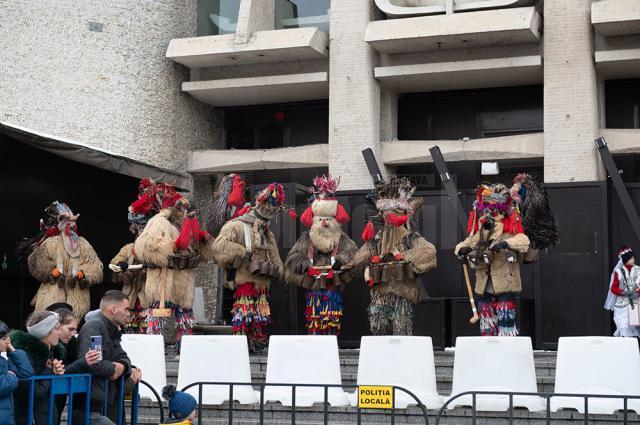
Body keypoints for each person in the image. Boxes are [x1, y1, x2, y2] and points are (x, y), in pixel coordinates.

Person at [350, 176, 437, 336]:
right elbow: (357, 260)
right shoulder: (378, 240)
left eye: (393, 213)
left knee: (401, 327)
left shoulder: (410, 237)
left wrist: (403, 255)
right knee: (377, 324)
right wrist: (362, 266)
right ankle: (381, 356)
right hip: (381, 292)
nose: (389, 218)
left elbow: (429, 252)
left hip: (402, 291)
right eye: (385, 214)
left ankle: (402, 357)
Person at [133, 184, 212, 347]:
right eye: (180, 207)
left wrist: (203, 242)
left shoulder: (185, 223)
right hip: (163, 281)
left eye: (184, 208)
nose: (183, 210)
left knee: (185, 319)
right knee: (156, 318)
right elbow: (144, 246)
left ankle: (185, 349)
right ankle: (152, 349)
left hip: (183, 282)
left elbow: (197, 251)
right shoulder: (158, 222)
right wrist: (170, 247)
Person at [211, 183, 286, 352]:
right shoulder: (237, 225)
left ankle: (255, 340)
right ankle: (240, 344)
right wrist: (242, 252)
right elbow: (218, 247)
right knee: (244, 313)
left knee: (259, 314)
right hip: (245, 278)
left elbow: (274, 254)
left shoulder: (268, 232)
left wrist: (277, 267)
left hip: (262, 281)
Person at [284, 175, 358, 335]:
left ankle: (332, 341)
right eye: (321, 219)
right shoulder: (307, 238)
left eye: (328, 219)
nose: (325, 223)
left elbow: (353, 255)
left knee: (332, 316)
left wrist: (339, 261)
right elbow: (292, 258)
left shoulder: (342, 239)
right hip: (314, 287)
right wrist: (305, 265)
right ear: (314, 220)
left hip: (334, 285)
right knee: (315, 317)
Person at [455, 183, 530, 336]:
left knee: (506, 322)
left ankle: (507, 353)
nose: (494, 211)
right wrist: (461, 249)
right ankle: (489, 353)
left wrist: (506, 243)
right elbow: (470, 240)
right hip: (484, 283)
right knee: (487, 325)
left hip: (505, 282)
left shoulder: (511, 226)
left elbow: (524, 241)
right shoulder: (484, 229)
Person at [18, 201, 103, 319]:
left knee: (70, 326)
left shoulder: (84, 244)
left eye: (73, 222)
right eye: (68, 222)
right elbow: (36, 261)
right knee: (50, 324)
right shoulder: (50, 243)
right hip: (52, 295)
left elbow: (95, 265)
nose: (72, 225)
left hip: (76, 295)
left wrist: (84, 274)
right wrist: (50, 271)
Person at [73, 290, 142, 425]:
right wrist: (113, 368)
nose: (129, 314)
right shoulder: (94, 327)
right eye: (126, 309)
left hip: (105, 401)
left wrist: (122, 367)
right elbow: (93, 363)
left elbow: (124, 357)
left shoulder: (111, 329)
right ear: (114, 309)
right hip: (92, 405)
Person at [47, 306, 101, 423]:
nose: (73, 333)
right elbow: (62, 372)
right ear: (57, 326)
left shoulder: (72, 346)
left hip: (59, 396)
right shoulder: (47, 348)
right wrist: (83, 362)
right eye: (70, 329)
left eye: (75, 330)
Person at [11, 311, 66, 425]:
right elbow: (33, 393)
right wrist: (50, 370)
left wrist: (55, 371)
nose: (60, 332)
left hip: (45, 416)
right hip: (31, 418)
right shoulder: (24, 357)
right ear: (45, 332)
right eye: (57, 328)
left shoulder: (50, 354)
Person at [0, 320, 33, 425]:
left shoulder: (3, 358)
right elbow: (2, 386)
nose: (8, 341)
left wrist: (12, 349)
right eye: (4, 339)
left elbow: (25, 372)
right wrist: (11, 375)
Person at [605, 247, 640, 337]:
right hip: (622, 305)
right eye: (630, 258)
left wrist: (637, 292)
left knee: (635, 325)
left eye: (633, 258)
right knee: (624, 325)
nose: (633, 260)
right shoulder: (618, 272)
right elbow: (613, 288)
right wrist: (624, 292)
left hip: (636, 302)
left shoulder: (638, 270)